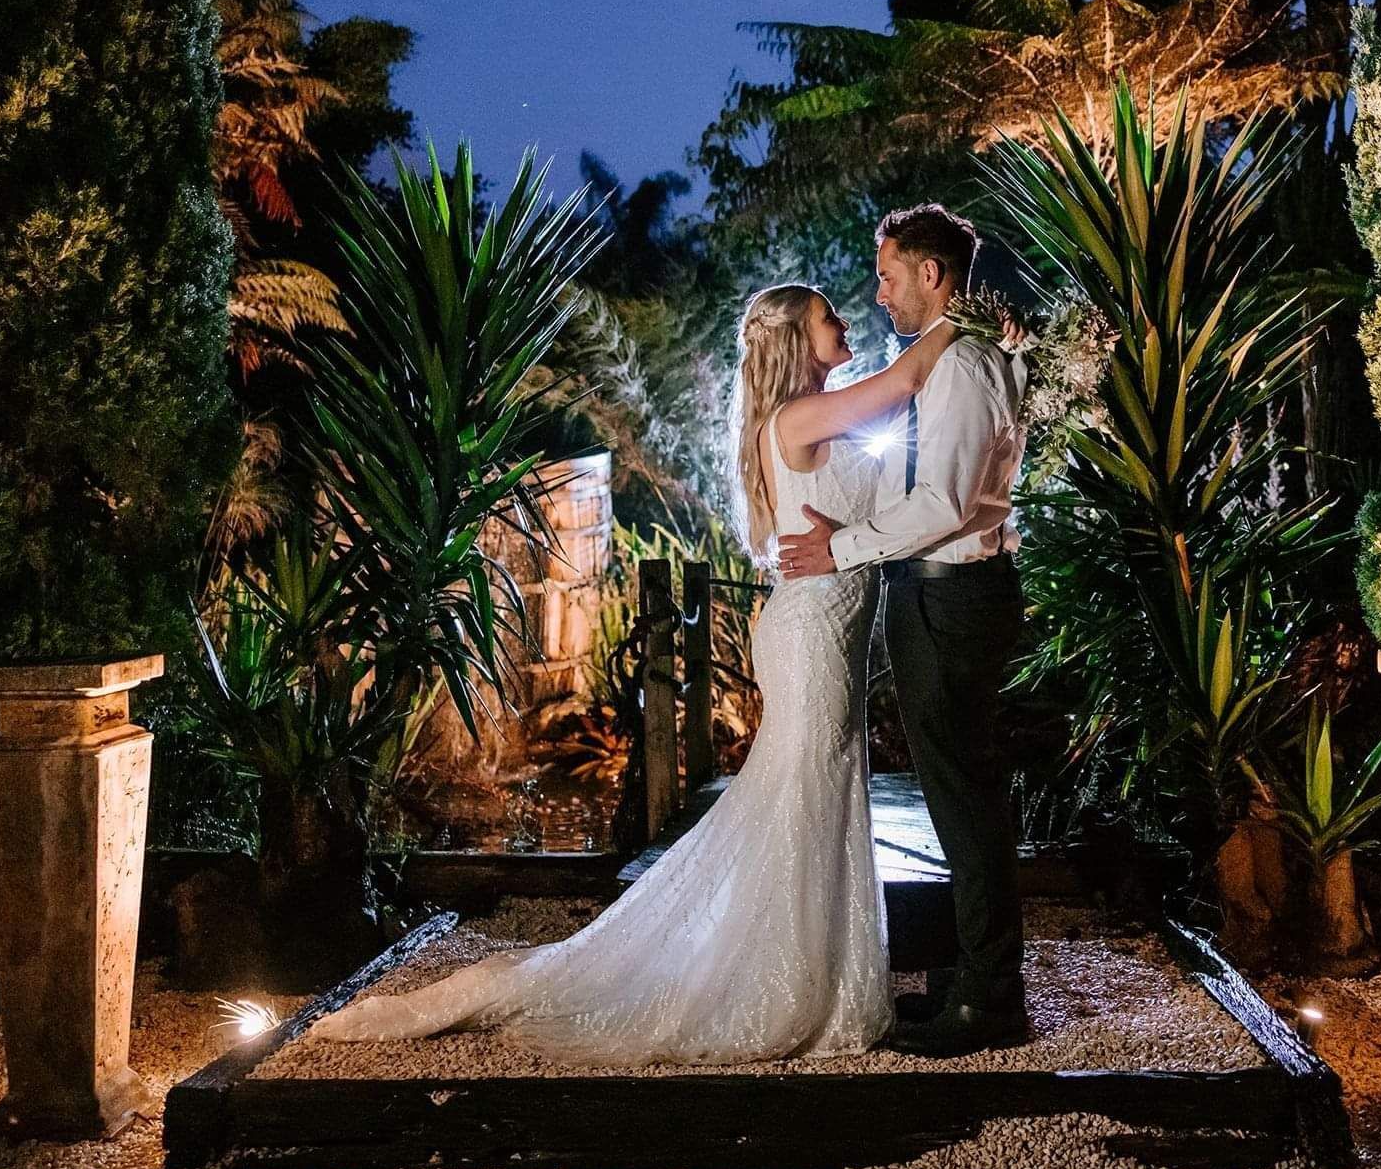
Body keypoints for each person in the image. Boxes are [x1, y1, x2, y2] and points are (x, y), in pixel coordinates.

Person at [309, 282, 957, 1064]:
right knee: (806, 795)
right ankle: (782, 981)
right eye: (829, 317)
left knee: (820, 793)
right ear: (794, 339)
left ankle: (813, 973)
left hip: (828, 634)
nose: (846, 322)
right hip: (812, 637)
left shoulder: (816, 416)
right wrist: (963, 314)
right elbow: (908, 379)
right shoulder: (797, 419)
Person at [776, 203, 1030, 1057]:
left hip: (951, 596)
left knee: (965, 799)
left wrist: (839, 549)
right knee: (962, 790)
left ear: (932, 274)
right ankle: (977, 974)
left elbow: (944, 502)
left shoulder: (960, 366)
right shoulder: (961, 357)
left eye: (887, 276)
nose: (878, 294)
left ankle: (992, 999)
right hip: (948, 591)